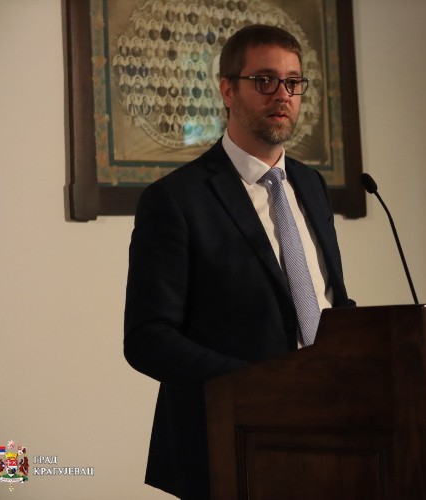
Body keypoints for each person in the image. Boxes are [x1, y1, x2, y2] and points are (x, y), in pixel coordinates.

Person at [123, 24, 353, 499]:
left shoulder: (310, 185)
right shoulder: (177, 199)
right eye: (264, 80)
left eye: (293, 82)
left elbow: (329, 300)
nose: (282, 94)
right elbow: (148, 339)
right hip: (228, 442)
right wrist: (259, 385)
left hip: (326, 429)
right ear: (227, 90)